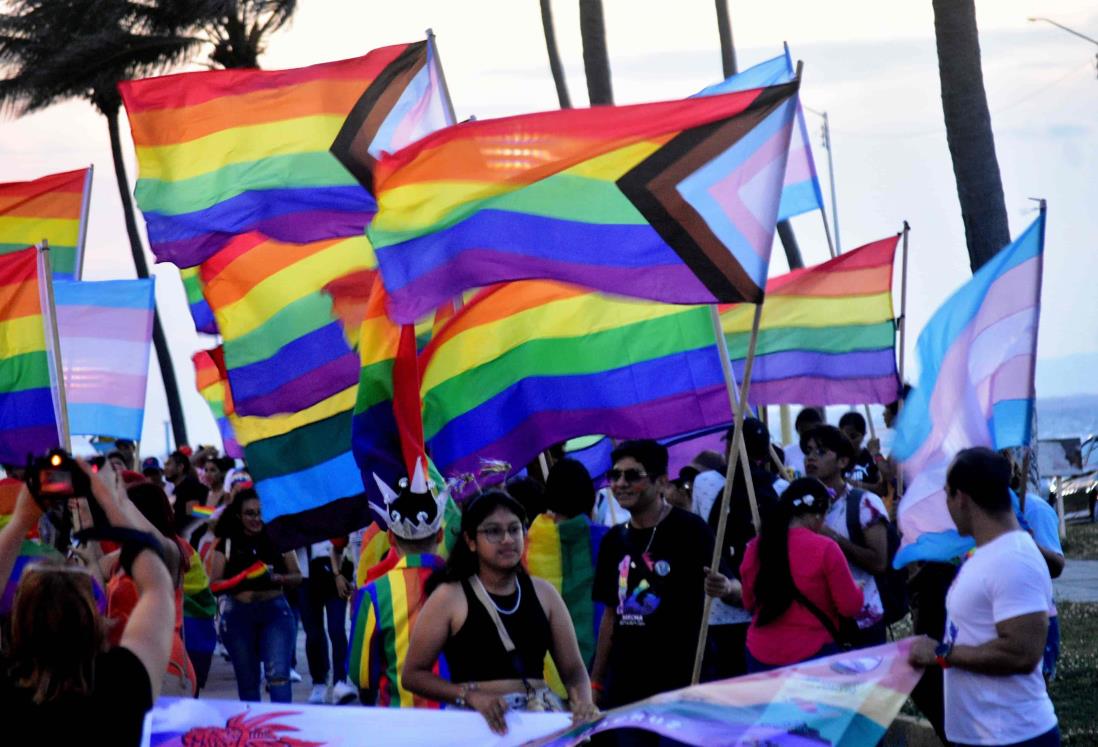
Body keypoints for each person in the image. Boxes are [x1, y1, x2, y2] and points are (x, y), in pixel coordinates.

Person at [0, 465, 174, 746]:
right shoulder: (123, 682)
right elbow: (158, 588)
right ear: (95, 617)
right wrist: (111, 503)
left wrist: (22, 519)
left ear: (17, 621)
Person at [403, 489, 597, 736]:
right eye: (493, 531)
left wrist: (582, 703)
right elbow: (412, 675)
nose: (507, 539)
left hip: (538, 726)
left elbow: (574, 671)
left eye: (515, 529)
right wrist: (470, 697)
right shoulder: (449, 597)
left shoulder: (544, 594)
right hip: (477, 728)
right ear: (471, 541)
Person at [909, 448, 1059, 747]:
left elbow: (1021, 653)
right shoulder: (984, 552)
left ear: (961, 497)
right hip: (983, 735)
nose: (946, 506)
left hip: (1012, 736)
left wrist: (940, 653)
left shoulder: (1014, 558)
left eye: (946, 496)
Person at [589, 440, 715, 709]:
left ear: (661, 482)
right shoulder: (613, 540)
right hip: (627, 687)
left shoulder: (692, 530)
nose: (620, 483)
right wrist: (596, 681)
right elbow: (610, 617)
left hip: (683, 683)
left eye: (632, 475)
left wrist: (725, 587)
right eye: (615, 475)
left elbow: (732, 586)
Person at [348, 462, 449, 707]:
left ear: (391, 538)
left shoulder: (373, 593)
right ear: (440, 536)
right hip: (462, 721)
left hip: (399, 725)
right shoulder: (467, 584)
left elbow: (361, 676)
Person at [738, 478, 864, 671]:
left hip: (760, 656)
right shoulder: (826, 548)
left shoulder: (755, 547)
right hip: (814, 655)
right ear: (816, 515)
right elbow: (849, 607)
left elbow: (748, 603)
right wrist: (857, 589)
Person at [207, 488, 302, 703]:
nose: (256, 518)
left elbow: (297, 576)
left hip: (275, 613)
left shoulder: (278, 538)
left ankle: (282, 730)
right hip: (238, 616)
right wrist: (240, 579)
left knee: (279, 677)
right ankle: (252, 734)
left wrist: (277, 578)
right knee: (248, 683)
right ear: (239, 515)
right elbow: (214, 584)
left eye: (260, 512)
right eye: (250, 513)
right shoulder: (227, 543)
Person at [803, 424, 890, 646]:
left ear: (843, 461)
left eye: (821, 452)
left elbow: (879, 562)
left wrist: (831, 537)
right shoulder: (800, 506)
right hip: (819, 623)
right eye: (808, 451)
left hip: (862, 622)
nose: (811, 458)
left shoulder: (865, 503)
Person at [527, 459, 609, 671]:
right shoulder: (605, 539)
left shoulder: (527, 540)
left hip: (544, 660)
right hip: (596, 656)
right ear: (588, 495)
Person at [1008, 455, 1065, 682]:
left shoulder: (1034, 509)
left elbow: (1057, 566)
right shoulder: (983, 510)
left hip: (1033, 614)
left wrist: (1026, 543)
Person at [299, 536, 356, 705]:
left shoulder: (334, 511)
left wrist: (341, 573)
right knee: (314, 633)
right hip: (306, 573)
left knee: (337, 629)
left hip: (336, 569)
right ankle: (319, 682)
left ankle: (340, 682)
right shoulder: (299, 513)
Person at [838, 411, 885, 495]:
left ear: (863, 435)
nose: (849, 440)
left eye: (853, 436)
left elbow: (882, 489)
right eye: (844, 436)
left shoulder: (871, 457)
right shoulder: (837, 460)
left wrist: (854, 484)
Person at [165, 450, 208, 537]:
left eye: (168, 464)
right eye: (165, 464)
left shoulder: (191, 487)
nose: (165, 467)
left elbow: (195, 516)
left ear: (180, 467)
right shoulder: (176, 490)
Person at [783, 407, 823, 478]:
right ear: (798, 430)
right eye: (805, 433)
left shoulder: (826, 454)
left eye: (813, 432)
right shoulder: (786, 453)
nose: (809, 436)